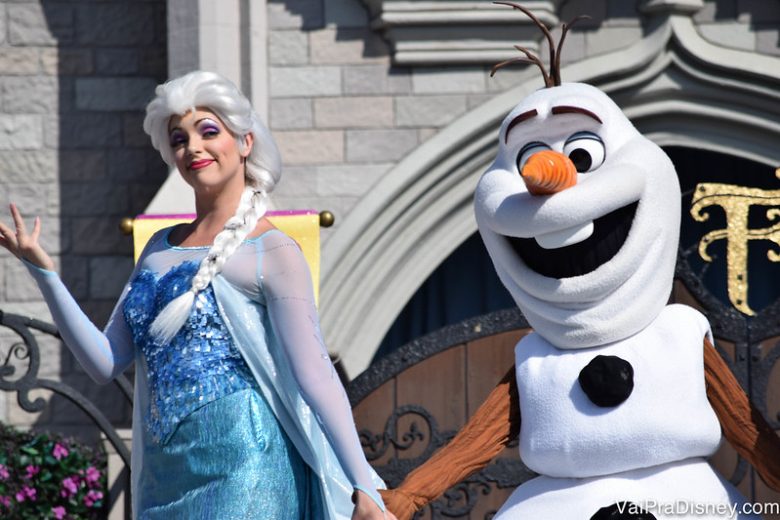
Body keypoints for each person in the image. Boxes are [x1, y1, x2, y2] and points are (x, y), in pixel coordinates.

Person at [0, 71, 394, 520]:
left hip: (249, 468)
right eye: (179, 139)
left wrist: (364, 486)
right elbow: (103, 363)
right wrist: (44, 272)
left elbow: (317, 377)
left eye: (209, 131)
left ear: (245, 142)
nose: (193, 148)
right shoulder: (157, 248)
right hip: (164, 477)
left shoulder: (274, 250)